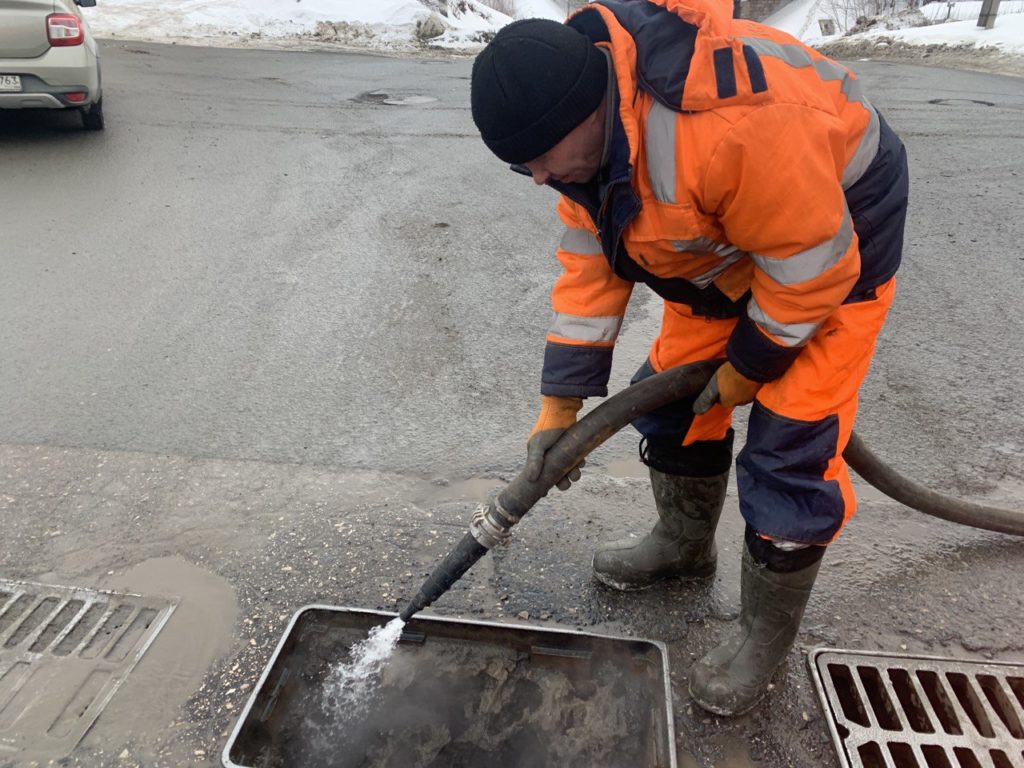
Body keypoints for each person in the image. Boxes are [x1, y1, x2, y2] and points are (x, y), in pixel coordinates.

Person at [469, 0, 908, 715]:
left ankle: (763, 636)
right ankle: (684, 544)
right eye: (523, 167)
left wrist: (751, 364)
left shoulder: (728, 126)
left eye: (542, 157)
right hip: (724, 244)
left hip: (835, 237)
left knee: (792, 446)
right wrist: (559, 405)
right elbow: (590, 268)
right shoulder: (581, 150)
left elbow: (811, 266)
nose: (540, 178)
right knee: (671, 398)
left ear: (589, 111)